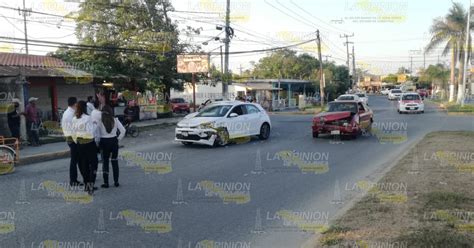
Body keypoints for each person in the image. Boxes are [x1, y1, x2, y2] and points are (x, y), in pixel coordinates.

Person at [72, 101, 98, 195]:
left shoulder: (74, 118)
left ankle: (87, 185)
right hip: (89, 143)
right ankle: (90, 187)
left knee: (84, 165)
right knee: (94, 165)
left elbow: (73, 133)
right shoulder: (88, 118)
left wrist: (77, 142)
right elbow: (91, 132)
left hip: (79, 144)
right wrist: (95, 124)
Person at [97, 105, 125, 188]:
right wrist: (118, 139)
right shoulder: (115, 120)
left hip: (104, 142)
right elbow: (123, 130)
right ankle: (116, 182)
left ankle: (106, 183)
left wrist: (98, 142)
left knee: (105, 163)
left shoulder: (100, 121)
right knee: (114, 162)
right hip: (113, 142)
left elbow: (97, 134)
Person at [61, 97, 82, 186]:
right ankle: (73, 180)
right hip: (73, 139)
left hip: (70, 138)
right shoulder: (70, 114)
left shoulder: (67, 112)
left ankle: (75, 179)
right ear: (75, 104)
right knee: (75, 160)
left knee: (76, 159)